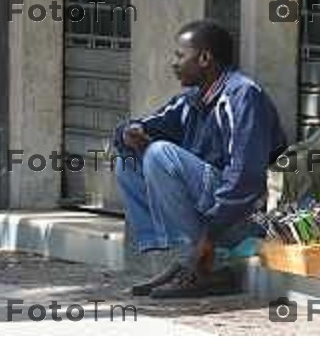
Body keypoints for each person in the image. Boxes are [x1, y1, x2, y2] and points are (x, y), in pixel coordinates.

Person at [114, 20, 287, 298]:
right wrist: (130, 134)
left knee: (160, 154)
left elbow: (245, 178)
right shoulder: (193, 99)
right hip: (211, 214)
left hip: (245, 220)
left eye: (180, 56)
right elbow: (148, 124)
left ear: (204, 58)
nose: (173, 63)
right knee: (129, 159)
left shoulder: (243, 96)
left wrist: (209, 236)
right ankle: (186, 259)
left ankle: (210, 264)